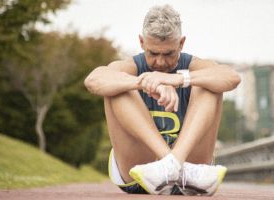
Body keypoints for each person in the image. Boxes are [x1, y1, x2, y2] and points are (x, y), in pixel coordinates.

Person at [84, 4, 240, 196]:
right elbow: (93, 80)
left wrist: (179, 79)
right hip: (139, 174)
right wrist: (145, 83)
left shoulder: (192, 65)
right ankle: (171, 163)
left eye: (168, 54)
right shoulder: (131, 66)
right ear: (141, 42)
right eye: (153, 53)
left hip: (189, 179)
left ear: (181, 44)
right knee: (118, 85)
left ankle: (173, 164)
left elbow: (231, 77)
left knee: (208, 82)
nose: (160, 62)